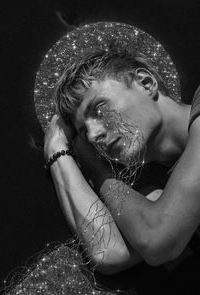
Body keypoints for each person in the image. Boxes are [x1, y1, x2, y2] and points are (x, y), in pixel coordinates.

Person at [43, 45, 200, 277]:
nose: (94, 134)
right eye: (84, 132)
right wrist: (57, 153)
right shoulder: (159, 190)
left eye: (99, 108)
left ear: (145, 83)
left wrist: (97, 170)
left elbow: (158, 241)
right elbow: (109, 251)